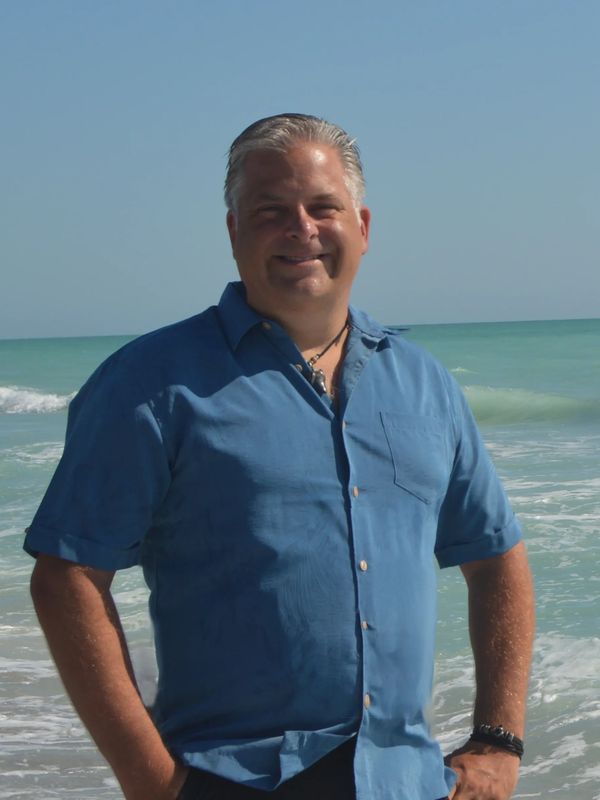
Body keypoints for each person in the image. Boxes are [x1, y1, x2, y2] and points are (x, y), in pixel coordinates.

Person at [25, 113, 535, 800]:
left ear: (362, 225)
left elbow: (497, 557)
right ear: (235, 232)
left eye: (323, 208)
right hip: (228, 779)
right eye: (270, 211)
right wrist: (151, 780)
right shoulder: (151, 384)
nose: (301, 230)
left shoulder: (424, 383)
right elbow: (67, 578)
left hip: (406, 780)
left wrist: (499, 742)